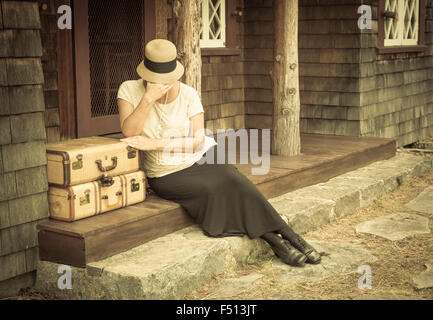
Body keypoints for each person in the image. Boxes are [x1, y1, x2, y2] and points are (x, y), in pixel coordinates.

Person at [117, 39, 321, 267]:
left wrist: (154, 143)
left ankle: (289, 235)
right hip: (165, 172)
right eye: (157, 78)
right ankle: (275, 240)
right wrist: (148, 98)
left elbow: (196, 141)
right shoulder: (129, 89)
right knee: (212, 189)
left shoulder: (188, 94)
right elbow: (129, 131)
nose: (164, 83)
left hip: (199, 157)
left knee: (235, 181)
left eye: (168, 78)